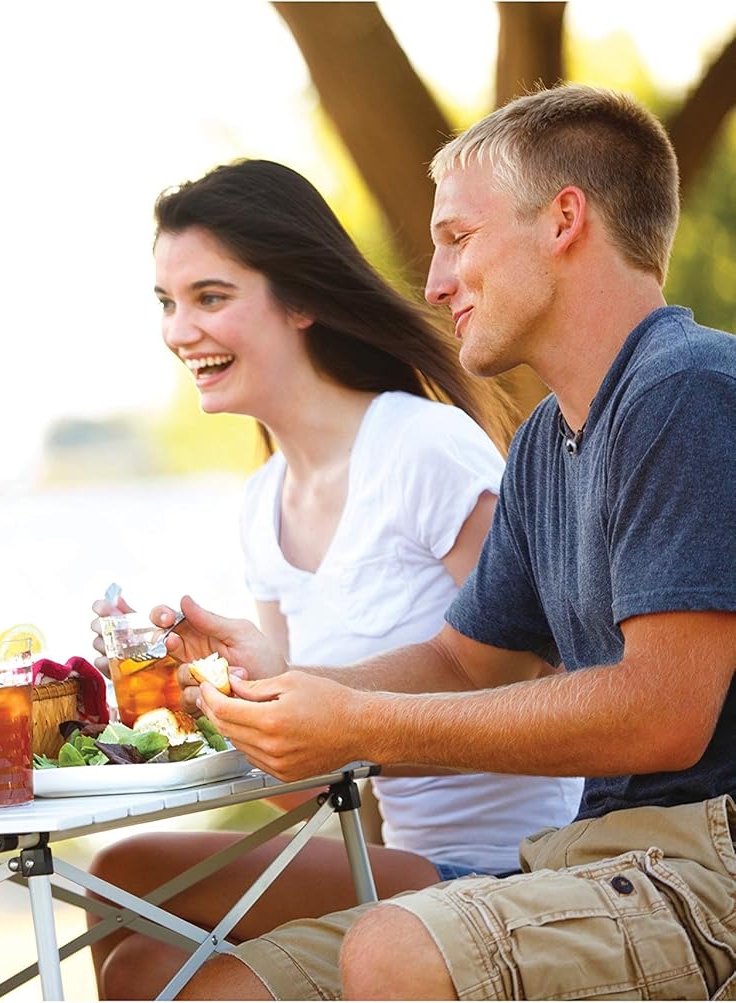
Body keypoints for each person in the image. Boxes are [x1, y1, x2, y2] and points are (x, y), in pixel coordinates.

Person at [134, 83, 736, 1000]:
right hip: (587, 858)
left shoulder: (683, 388)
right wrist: (291, 694)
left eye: (459, 237)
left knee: (395, 948)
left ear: (563, 220)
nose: (434, 281)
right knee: (189, 985)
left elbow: (663, 711)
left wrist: (361, 725)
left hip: (706, 866)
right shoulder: (547, 441)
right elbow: (465, 662)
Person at [85, 159, 584, 997]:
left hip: (520, 871)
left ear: (302, 299)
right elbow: (316, 786)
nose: (179, 331)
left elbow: (555, 671)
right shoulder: (263, 502)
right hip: (406, 863)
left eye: (211, 297)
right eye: (168, 304)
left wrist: (326, 703)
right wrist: (216, 695)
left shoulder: (424, 448)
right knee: (139, 957)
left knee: (130, 873)